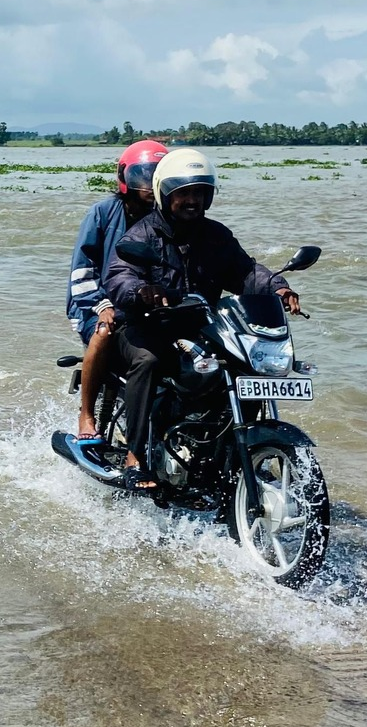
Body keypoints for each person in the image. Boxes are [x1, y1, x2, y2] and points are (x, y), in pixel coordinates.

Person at [105, 148, 300, 490]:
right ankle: (136, 457)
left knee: (245, 364)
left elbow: (245, 271)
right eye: (184, 193)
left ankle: (228, 454)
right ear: (166, 194)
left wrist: (277, 288)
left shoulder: (216, 235)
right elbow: (120, 275)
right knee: (148, 361)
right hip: (146, 327)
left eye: (199, 193)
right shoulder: (141, 236)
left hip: (200, 328)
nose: (192, 200)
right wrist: (141, 291)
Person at [66, 138, 167, 444]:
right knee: (103, 332)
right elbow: (82, 271)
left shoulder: (169, 216)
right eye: (141, 176)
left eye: (156, 176)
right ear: (124, 178)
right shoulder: (103, 213)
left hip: (147, 307)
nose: (148, 185)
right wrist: (101, 304)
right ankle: (86, 414)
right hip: (96, 306)